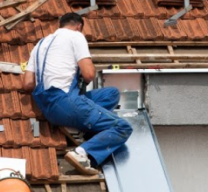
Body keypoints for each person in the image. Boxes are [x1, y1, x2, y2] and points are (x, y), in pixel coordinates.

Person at [23, 12, 132, 175]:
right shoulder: (76, 36)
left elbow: (27, 84)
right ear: (79, 26)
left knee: (111, 94)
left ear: (60, 25)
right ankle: (81, 152)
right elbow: (88, 74)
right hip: (66, 102)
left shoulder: (40, 44)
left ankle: (79, 126)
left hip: (47, 107)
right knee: (122, 126)